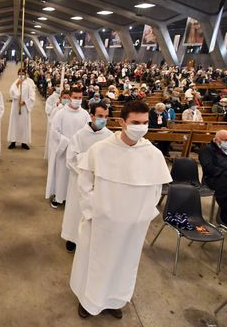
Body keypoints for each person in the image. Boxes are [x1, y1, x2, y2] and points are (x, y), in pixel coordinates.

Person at [70, 100, 171, 319]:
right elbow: (84, 184)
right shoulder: (101, 149)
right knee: (94, 262)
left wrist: (142, 216)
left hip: (132, 226)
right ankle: (88, 301)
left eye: (145, 122)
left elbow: (155, 190)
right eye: (135, 122)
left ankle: (114, 299)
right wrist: (94, 210)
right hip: (101, 221)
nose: (141, 127)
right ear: (121, 122)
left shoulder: (152, 154)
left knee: (124, 264)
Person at [61, 103, 113, 252]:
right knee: (76, 209)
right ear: (92, 116)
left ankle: (90, 240)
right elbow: (71, 158)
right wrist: (90, 165)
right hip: (79, 179)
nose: (103, 119)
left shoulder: (109, 136)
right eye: (100, 116)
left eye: (106, 116)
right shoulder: (79, 135)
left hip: (100, 181)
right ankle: (72, 237)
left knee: (94, 211)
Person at [46, 87, 91, 208]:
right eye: (75, 97)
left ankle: (70, 199)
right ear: (70, 97)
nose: (78, 100)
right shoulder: (61, 113)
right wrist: (67, 142)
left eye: (80, 98)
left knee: (75, 176)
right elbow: (54, 132)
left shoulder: (85, 114)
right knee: (62, 175)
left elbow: (88, 131)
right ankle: (58, 197)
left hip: (79, 152)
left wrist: (80, 145)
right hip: (64, 149)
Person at [7, 69, 35, 150]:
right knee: (14, 124)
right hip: (15, 107)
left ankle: (24, 142)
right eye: (19, 74)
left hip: (24, 108)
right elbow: (12, 94)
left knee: (24, 125)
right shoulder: (15, 83)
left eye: (23, 74)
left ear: (25, 74)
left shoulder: (29, 84)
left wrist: (25, 102)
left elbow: (32, 97)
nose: (21, 75)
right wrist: (17, 85)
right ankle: (13, 141)